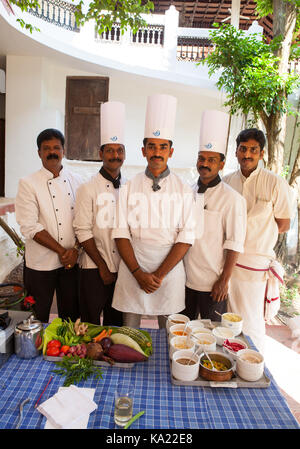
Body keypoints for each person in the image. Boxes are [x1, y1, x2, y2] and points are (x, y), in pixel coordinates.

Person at [111, 94, 196, 329]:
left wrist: (158, 275)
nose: (157, 152)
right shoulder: (129, 187)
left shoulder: (184, 189)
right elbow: (120, 233)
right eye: (152, 147)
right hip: (132, 267)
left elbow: (186, 238)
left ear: (171, 151)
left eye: (162, 147)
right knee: (128, 335)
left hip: (168, 273)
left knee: (171, 336)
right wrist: (138, 273)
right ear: (143, 150)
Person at [223, 128, 293, 352]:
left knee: (252, 324)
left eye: (253, 150)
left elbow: (283, 224)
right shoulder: (225, 182)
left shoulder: (275, 183)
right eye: (243, 149)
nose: (247, 154)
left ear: (261, 154)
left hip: (255, 269)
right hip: (226, 265)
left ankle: (253, 366)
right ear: (236, 152)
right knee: (226, 321)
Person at [183, 110, 247, 322]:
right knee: (181, 335)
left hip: (213, 284)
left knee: (211, 338)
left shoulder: (233, 199)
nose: (205, 163)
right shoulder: (188, 192)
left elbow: (235, 244)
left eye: (211, 159)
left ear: (221, 164)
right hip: (184, 281)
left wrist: (224, 280)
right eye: (201, 158)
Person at [15, 128, 83, 323]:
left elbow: (84, 220)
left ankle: (68, 352)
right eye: (46, 148)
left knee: (71, 316)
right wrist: (63, 251)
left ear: (63, 150)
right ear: (39, 153)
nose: (52, 152)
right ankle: (34, 350)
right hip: (40, 264)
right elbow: (29, 226)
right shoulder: (28, 183)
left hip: (71, 261)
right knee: (37, 315)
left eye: (56, 147)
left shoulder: (77, 181)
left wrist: (75, 250)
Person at [73, 101, 125, 326]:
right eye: (110, 150)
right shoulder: (88, 188)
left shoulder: (129, 188)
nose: (115, 155)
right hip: (94, 268)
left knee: (115, 325)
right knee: (90, 325)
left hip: (122, 269)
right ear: (101, 153)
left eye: (119, 150)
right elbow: (82, 230)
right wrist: (103, 266)